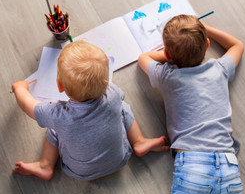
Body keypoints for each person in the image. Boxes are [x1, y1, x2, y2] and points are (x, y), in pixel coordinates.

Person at [11, 40, 169, 181]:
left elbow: (27, 105)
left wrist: (20, 88)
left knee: (53, 130)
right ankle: (139, 141)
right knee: (122, 108)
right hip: (120, 159)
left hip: (79, 171)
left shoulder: (57, 115)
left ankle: (45, 165)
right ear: (106, 81)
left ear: (59, 86)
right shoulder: (112, 92)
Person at [138, 14, 244, 194]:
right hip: (229, 166)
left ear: (167, 55)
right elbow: (237, 45)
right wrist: (205, 28)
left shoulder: (167, 76)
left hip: (193, 165)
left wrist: (171, 56)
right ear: (207, 45)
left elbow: (143, 57)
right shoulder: (219, 69)